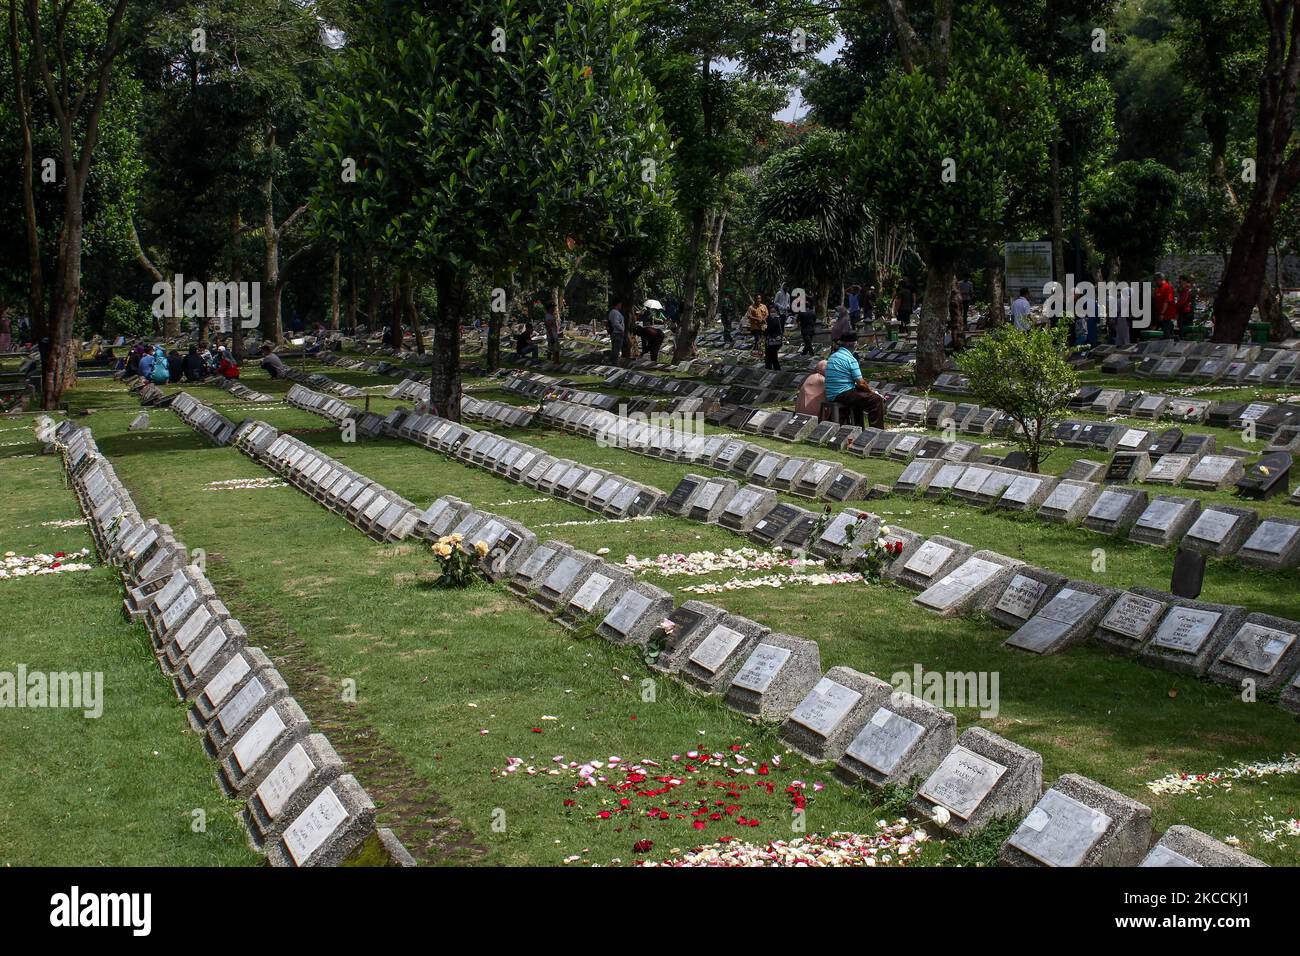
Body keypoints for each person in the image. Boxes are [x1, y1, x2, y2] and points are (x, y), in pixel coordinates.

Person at [825, 334, 884, 428]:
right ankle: (877, 430)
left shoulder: (833, 356)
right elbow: (861, 383)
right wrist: (871, 391)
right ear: (852, 344)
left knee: (860, 399)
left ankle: (858, 428)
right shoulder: (850, 359)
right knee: (875, 399)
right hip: (842, 393)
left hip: (832, 393)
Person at [1154, 273, 1177, 338]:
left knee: (1166, 334)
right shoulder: (1158, 288)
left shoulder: (1167, 287)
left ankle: (1174, 340)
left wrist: (1162, 313)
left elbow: (1167, 302)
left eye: (1156, 280)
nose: (1155, 282)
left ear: (1160, 279)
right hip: (1159, 315)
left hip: (1166, 316)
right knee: (1158, 333)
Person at [763, 305, 783, 370]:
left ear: (776, 311)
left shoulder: (777, 319)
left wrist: (766, 328)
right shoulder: (770, 318)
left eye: (774, 311)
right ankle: (775, 369)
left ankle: (772, 369)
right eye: (771, 311)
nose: (772, 313)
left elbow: (770, 329)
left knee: (770, 357)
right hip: (772, 341)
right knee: (773, 357)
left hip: (773, 341)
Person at [606, 299, 626, 365]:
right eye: (620, 304)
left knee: (614, 348)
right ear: (618, 304)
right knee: (617, 349)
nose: (621, 305)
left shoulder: (611, 312)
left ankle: (612, 361)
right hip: (617, 332)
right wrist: (622, 329)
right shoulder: (615, 312)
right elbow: (615, 323)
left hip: (614, 332)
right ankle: (615, 363)